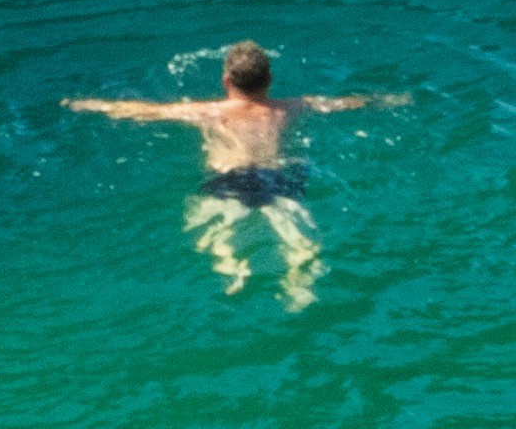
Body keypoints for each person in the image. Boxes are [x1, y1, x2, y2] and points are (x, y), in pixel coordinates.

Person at [67, 44, 409, 306]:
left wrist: (89, 105)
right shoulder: (291, 106)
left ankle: (233, 270)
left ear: (226, 81)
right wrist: (389, 99)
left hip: (227, 182)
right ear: (270, 81)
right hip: (279, 181)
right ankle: (299, 281)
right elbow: (343, 103)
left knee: (213, 234)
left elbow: (145, 112)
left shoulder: (209, 111)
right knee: (300, 237)